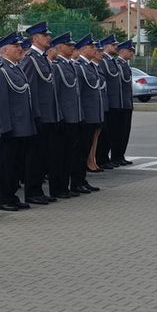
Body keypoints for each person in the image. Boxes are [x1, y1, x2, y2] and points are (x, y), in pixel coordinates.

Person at [0, 32, 34, 212]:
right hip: (9, 128)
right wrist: (4, 127)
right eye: (16, 47)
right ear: (5, 50)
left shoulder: (16, 68)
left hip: (21, 127)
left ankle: (12, 195)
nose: (20, 49)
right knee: (6, 165)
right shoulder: (0, 70)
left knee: (15, 165)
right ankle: (4, 199)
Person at [20, 21, 62, 205]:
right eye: (45, 36)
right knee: (34, 156)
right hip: (39, 115)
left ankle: (37, 190)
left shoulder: (43, 59)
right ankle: (32, 191)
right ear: (35, 38)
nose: (49, 38)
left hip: (49, 114)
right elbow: (29, 89)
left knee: (44, 154)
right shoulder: (30, 59)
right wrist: (35, 114)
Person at [50, 32, 82, 198]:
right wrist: (60, 115)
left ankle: (65, 186)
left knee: (69, 154)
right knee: (59, 156)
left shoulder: (70, 65)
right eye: (69, 45)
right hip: (64, 118)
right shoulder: (57, 66)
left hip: (73, 117)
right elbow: (55, 94)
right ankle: (58, 188)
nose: (72, 48)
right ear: (60, 47)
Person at [71, 35, 102, 195]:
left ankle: (82, 180)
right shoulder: (79, 67)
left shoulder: (90, 66)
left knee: (85, 150)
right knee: (79, 152)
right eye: (91, 47)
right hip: (84, 117)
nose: (95, 49)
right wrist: (81, 115)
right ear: (83, 49)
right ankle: (76, 182)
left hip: (92, 116)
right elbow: (79, 94)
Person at [96, 35, 121, 169]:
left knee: (111, 133)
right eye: (113, 45)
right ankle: (101, 158)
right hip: (107, 103)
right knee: (104, 134)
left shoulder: (112, 61)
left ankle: (105, 157)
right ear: (106, 46)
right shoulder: (103, 61)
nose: (116, 47)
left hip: (113, 103)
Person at [111, 40, 135, 166]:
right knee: (118, 132)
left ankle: (120, 155)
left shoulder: (124, 64)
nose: (132, 53)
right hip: (120, 103)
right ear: (123, 51)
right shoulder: (118, 64)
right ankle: (116, 156)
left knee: (125, 132)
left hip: (126, 103)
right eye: (130, 50)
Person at [87, 41, 107, 173]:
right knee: (90, 137)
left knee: (96, 136)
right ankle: (90, 161)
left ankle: (92, 159)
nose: (100, 53)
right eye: (97, 51)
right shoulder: (85, 67)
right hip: (90, 109)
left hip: (99, 106)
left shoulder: (96, 67)